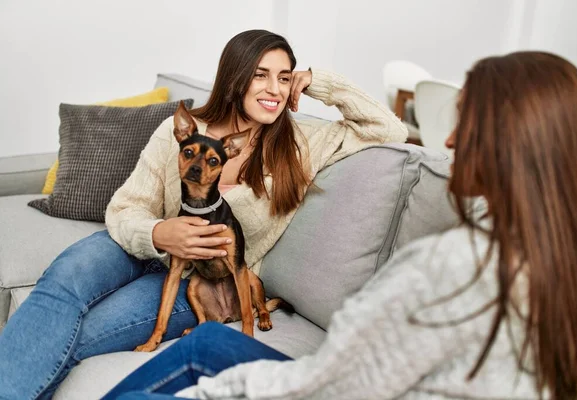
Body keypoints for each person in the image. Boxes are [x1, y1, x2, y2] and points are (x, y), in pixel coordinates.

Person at [101, 51, 577, 400]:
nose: (446, 140)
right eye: (260, 76)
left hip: (334, 388)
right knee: (205, 342)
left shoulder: (449, 266)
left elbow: (326, 388)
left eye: (464, 123)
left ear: (511, 142)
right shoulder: (568, 247)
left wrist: (213, 393)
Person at [0, 30, 407, 399]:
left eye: (284, 77)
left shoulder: (301, 146)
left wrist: (319, 81)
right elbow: (126, 207)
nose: (275, 89)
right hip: (138, 243)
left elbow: (389, 130)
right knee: (59, 286)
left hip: (202, 278)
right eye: (261, 75)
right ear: (235, 77)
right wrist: (160, 232)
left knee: (86, 335)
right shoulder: (178, 131)